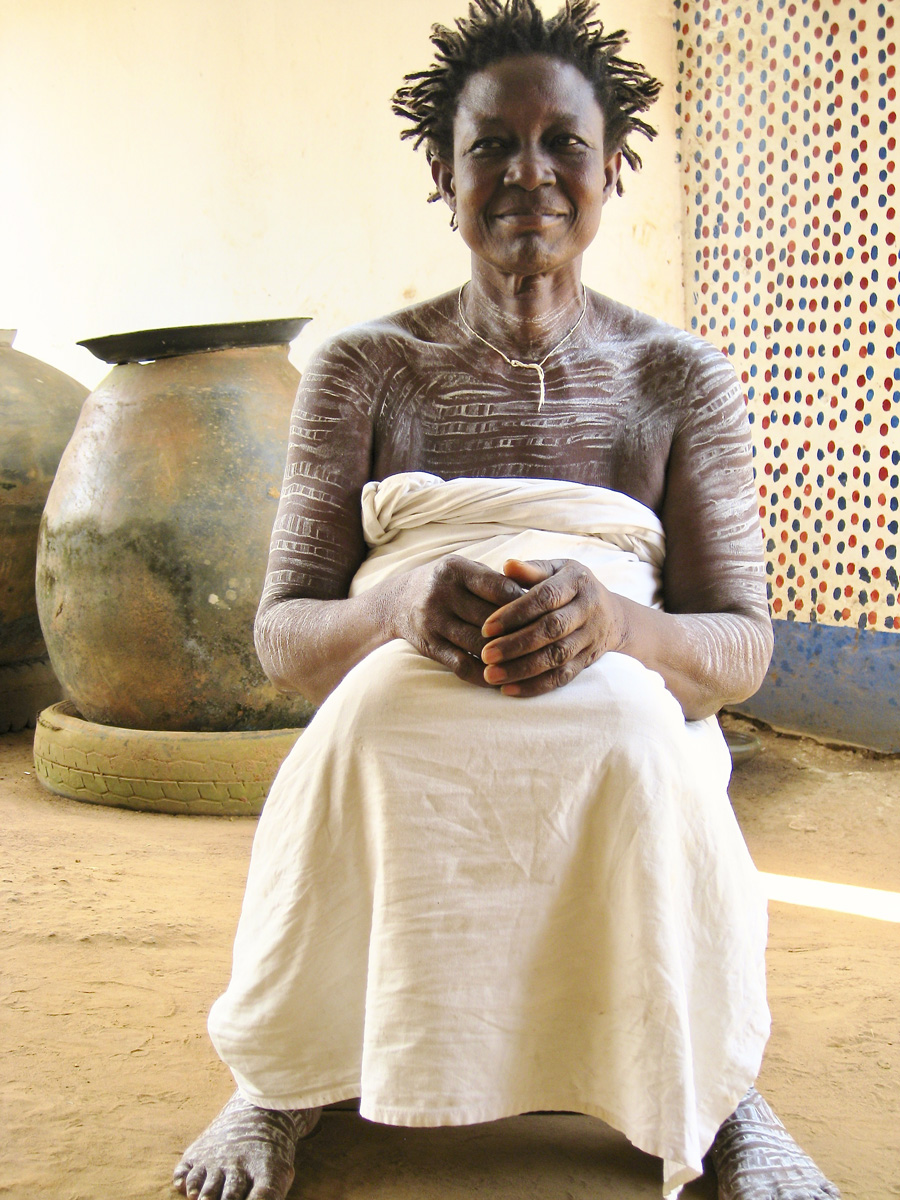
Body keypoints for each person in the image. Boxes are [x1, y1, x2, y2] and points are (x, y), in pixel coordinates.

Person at [173, 2, 841, 1198]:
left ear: (613, 168)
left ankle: (724, 1099)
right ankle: (279, 1082)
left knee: (644, 744)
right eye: (491, 145)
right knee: (369, 728)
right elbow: (282, 635)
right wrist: (397, 605)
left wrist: (621, 627)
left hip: (631, 708)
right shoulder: (366, 368)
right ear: (443, 172)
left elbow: (740, 646)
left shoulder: (675, 377)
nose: (528, 173)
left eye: (562, 145)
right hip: (397, 691)